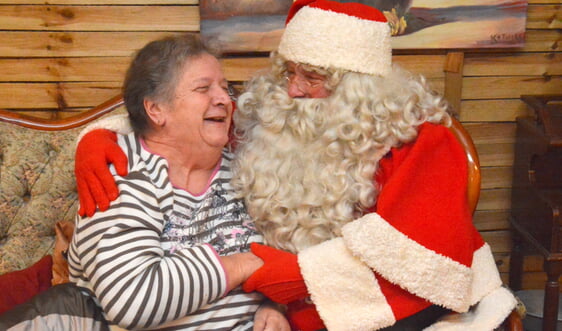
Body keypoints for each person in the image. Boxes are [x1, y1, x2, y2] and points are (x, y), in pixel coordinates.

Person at [74, 1, 517, 330]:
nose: (294, 91)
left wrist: (288, 278)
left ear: (361, 88)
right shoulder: (274, 120)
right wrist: (97, 138)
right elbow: (175, 120)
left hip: (393, 309)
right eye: (288, 73)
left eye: (312, 77)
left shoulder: (423, 143)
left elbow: (414, 259)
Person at [0, 34, 290, 331]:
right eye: (203, 88)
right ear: (155, 110)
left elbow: (283, 257)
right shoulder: (121, 172)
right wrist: (243, 265)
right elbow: (133, 301)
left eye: (225, 87)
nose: (224, 100)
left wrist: (273, 304)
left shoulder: (246, 169)